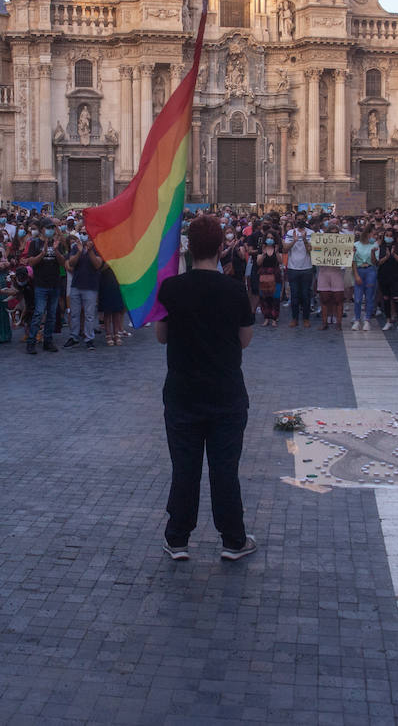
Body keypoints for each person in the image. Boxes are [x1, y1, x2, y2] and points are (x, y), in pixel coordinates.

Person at [155, 214, 257, 562]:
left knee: (184, 468)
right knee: (224, 469)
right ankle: (233, 540)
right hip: (226, 394)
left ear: (188, 248)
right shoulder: (234, 289)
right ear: (220, 248)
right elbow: (245, 340)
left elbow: (160, 335)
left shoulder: (171, 288)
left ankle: (178, 538)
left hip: (183, 393)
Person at [25, 219, 65, 354]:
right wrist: (43, 253)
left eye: (53, 228)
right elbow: (31, 262)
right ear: (42, 229)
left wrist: (55, 250)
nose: (51, 230)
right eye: (48, 227)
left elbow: (62, 262)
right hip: (41, 284)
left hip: (54, 282)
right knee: (38, 313)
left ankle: (48, 340)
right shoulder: (35, 243)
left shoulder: (57, 243)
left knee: (52, 315)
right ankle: (31, 341)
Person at [64, 230, 103, 349]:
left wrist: (89, 250)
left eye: (86, 233)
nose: (83, 235)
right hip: (76, 285)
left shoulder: (97, 247)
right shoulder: (76, 247)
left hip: (90, 286)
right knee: (74, 313)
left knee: (89, 314)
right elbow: (71, 263)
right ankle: (74, 336)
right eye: (81, 232)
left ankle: (89, 338)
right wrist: (80, 252)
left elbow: (97, 264)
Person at [284, 216, 316, 328]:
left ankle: (306, 318)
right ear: (295, 221)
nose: (300, 221)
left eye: (302, 219)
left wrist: (305, 240)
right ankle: (294, 318)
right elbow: (285, 249)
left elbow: (311, 250)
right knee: (294, 295)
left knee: (306, 295)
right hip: (293, 268)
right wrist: (294, 240)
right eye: (298, 219)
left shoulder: (311, 232)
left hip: (306, 268)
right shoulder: (290, 232)